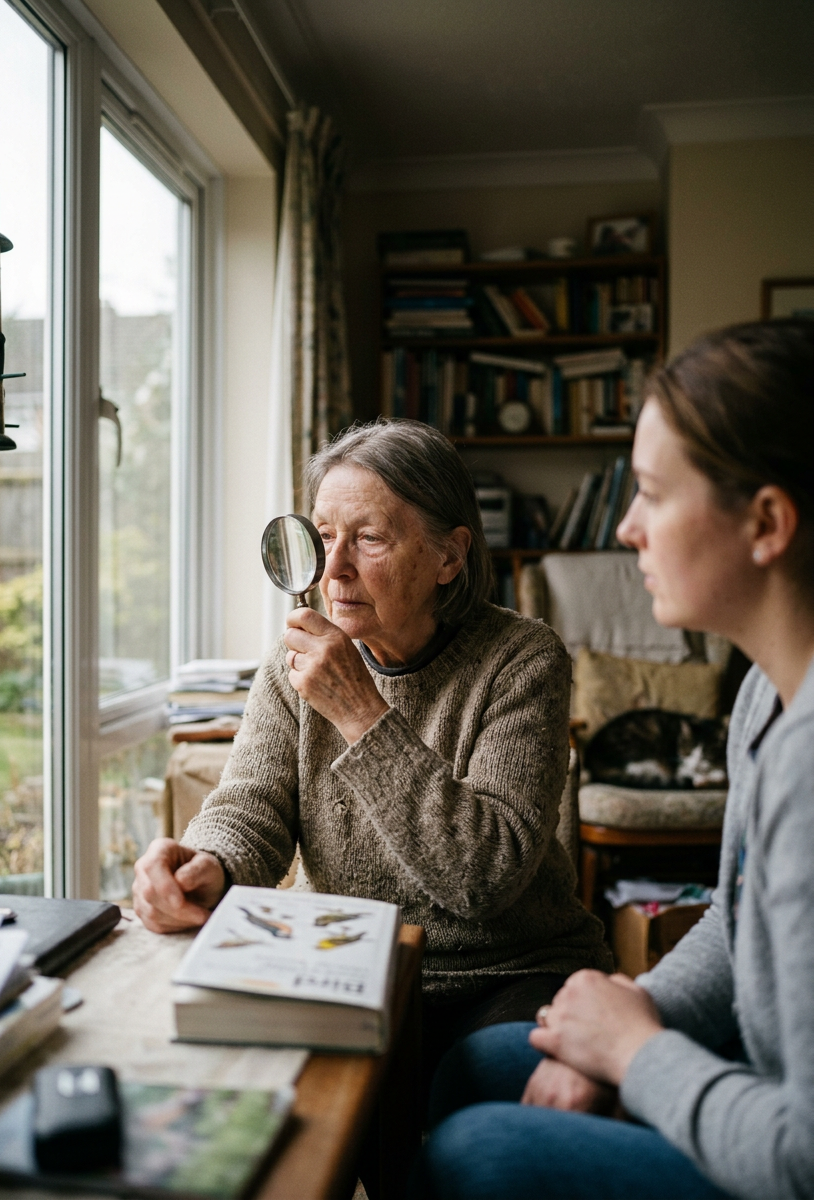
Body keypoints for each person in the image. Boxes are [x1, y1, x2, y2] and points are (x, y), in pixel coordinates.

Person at [414, 319, 814, 1200]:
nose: (627, 527)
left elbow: (800, 1154)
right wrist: (636, 1017)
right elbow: (732, 924)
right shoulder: (762, 693)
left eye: (652, 493)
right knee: (479, 1063)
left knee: (473, 1155)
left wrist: (636, 1054)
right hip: (756, 1076)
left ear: (767, 523)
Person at [134, 419, 610, 1072]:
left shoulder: (522, 659)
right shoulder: (292, 665)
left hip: (502, 974)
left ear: (449, 556)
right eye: (324, 537)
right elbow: (252, 802)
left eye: (369, 539)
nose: (334, 570)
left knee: (476, 1110)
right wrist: (207, 862)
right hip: (342, 960)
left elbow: (484, 880)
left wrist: (362, 713)